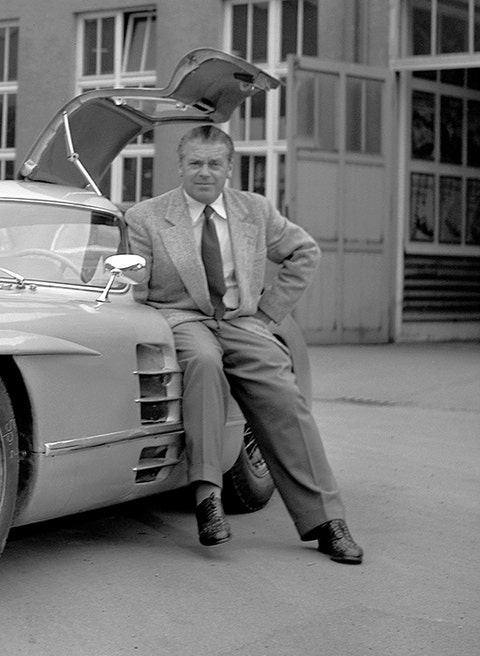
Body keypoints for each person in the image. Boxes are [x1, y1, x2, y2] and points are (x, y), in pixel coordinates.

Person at [124, 124, 363, 564]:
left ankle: (327, 521)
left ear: (230, 167)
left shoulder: (255, 210)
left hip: (240, 320)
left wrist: (269, 314)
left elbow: (304, 252)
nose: (204, 172)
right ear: (180, 166)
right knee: (203, 364)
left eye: (215, 163)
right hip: (181, 319)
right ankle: (207, 500)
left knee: (285, 395)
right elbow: (133, 287)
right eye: (195, 163)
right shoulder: (146, 217)